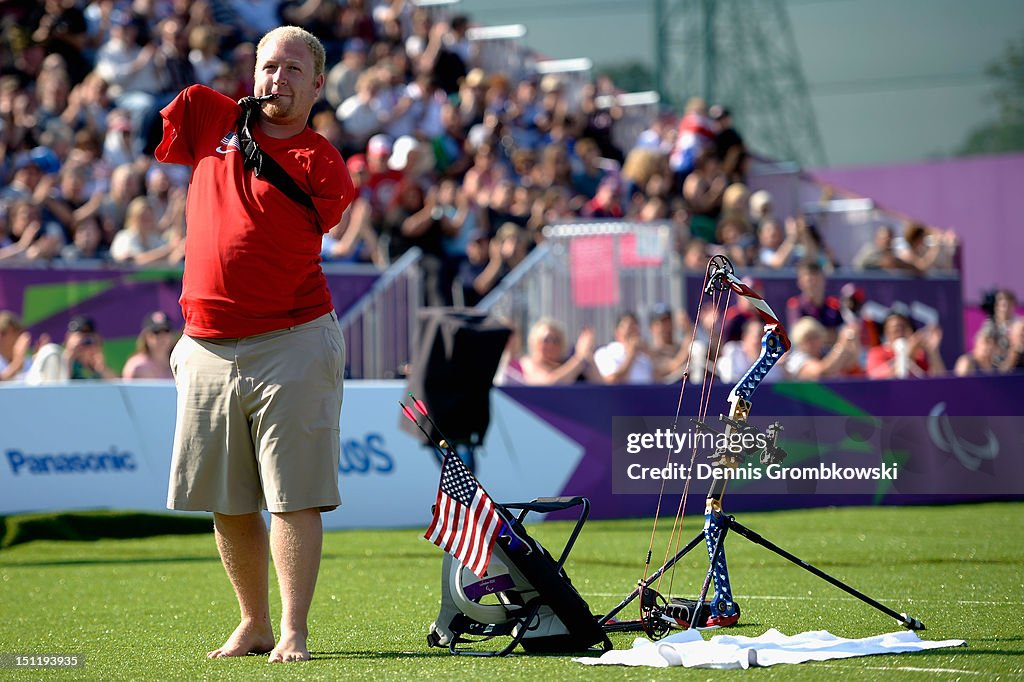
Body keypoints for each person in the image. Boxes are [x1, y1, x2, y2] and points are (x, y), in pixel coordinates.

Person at [155, 26, 356, 663]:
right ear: (252, 73)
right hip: (205, 343)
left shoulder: (322, 160)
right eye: (269, 66)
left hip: (291, 338)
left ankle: (293, 630)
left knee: (293, 496)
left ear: (318, 85)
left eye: (294, 70)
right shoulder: (208, 116)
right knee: (227, 499)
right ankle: (253, 623)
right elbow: (174, 92)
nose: (278, 79)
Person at [519, 318, 602, 385]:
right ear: (534, 342)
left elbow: (600, 385)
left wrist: (587, 354)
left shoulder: (568, 364)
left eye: (556, 340)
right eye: (546, 340)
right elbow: (548, 384)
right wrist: (579, 358)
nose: (551, 345)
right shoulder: (527, 364)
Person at [866, 312, 945, 379]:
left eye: (903, 327)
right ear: (886, 332)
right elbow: (877, 378)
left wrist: (933, 352)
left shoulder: (919, 356)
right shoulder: (876, 353)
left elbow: (939, 383)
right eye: (895, 329)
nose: (900, 333)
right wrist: (908, 354)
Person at [595, 311, 656, 384]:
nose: (633, 331)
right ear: (617, 333)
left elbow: (659, 380)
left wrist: (651, 355)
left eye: (635, 328)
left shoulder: (645, 357)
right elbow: (612, 381)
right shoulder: (605, 353)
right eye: (629, 328)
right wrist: (631, 355)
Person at [122, 311, 176, 379]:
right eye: (156, 332)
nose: (162, 337)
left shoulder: (180, 362)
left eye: (166, 331)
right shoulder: (136, 366)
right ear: (146, 337)